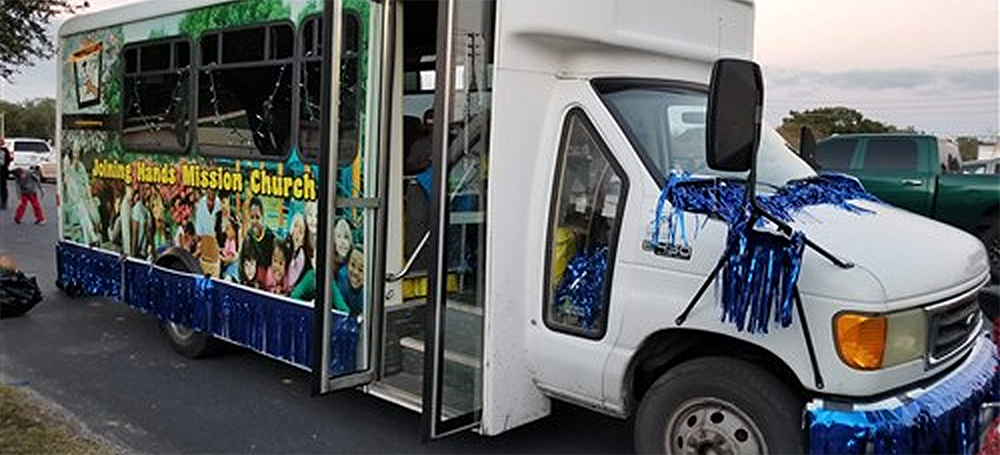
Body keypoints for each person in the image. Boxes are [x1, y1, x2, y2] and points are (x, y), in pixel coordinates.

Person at [246, 197, 274, 287]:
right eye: (252, 217)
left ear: (262, 217)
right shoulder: (249, 236)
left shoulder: (270, 237)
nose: (254, 221)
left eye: (257, 217)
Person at [1, 137, 11, 210]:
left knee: (3, 186)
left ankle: (4, 202)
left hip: (2, 169)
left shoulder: (5, 151)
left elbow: (8, 160)